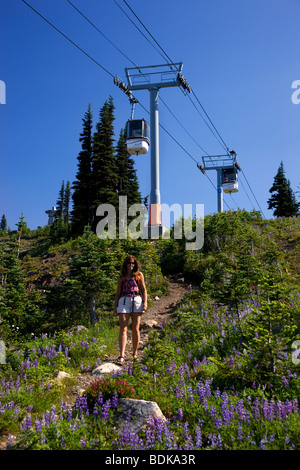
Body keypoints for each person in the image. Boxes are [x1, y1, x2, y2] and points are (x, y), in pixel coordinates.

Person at [113, 255, 147, 364]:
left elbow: (144, 289)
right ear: (125, 264)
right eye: (129, 263)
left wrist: (145, 302)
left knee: (135, 328)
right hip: (124, 301)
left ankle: (135, 353)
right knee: (123, 328)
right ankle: (121, 355)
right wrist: (115, 307)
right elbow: (118, 293)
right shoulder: (121, 277)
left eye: (133, 263)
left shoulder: (139, 275)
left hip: (136, 300)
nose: (131, 265)